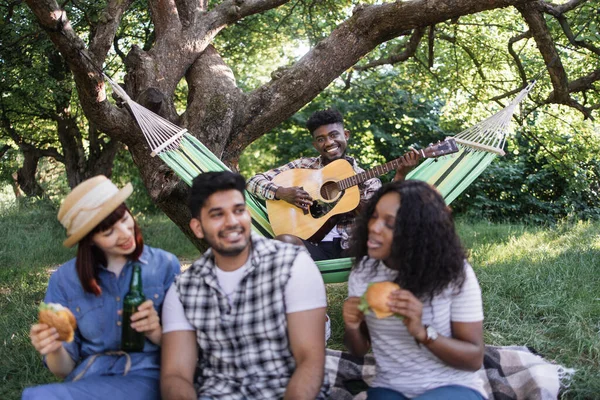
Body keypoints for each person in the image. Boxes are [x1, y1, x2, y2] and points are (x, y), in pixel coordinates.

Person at [160, 171, 329, 399]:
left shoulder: (292, 264)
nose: (232, 222)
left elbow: (310, 359)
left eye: (239, 211)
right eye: (217, 214)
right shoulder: (184, 290)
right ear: (198, 227)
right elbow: (176, 374)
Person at [23, 175, 180, 400]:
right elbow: (64, 369)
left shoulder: (164, 265)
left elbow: (185, 347)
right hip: (89, 379)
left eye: (126, 219)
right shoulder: (64, 280)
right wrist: (54, 347)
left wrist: (155, 331)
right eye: (109, 233)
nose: (126, 233)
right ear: (90, 240)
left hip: (148, 375)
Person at [343, 180, 487, 400]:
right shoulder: (364, 272)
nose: (374, 227)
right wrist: (352, 326)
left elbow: (474, 358)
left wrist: (422, 332)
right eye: (374, 216)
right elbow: (359, 349)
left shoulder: (454, 273)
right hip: (389, 388)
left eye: (390, 224)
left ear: (417, 234)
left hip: (452, 386)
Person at [247, 108, 420, 261]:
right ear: (315, 145)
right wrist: (281, 192)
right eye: (321, 139)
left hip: (353, 249)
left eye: (333, 135)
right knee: (282, 242)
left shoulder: (367, 179)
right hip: (311, 247)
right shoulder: (303, 166)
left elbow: (383, 215)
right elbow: (253, 182)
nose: (329, 143)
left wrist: (400, 174)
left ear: (346, 135)